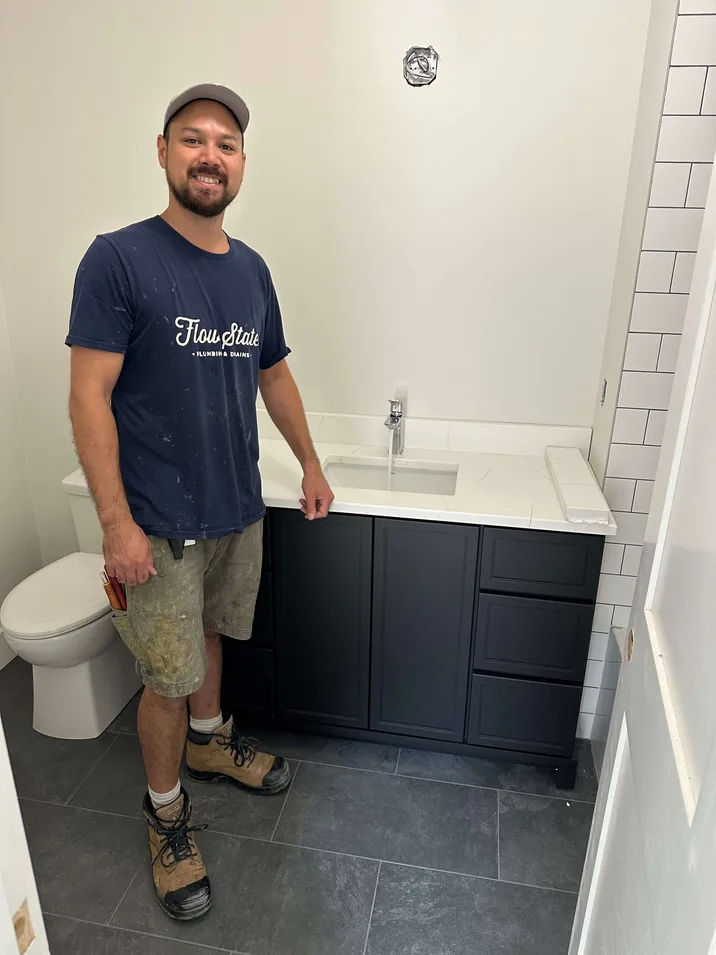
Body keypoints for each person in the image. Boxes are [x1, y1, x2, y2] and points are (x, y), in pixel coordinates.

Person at [66, 83, 334, 921]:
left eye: (225, 143)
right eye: (193, 139)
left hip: (236, 508)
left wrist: (310, 463)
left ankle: (212, 745)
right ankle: (166, 808)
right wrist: (117, 524)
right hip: (158, 523)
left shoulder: (250, 270)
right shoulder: (118, 258)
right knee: (165, 678)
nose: (209, 154)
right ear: (163, 151)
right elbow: (88, 395)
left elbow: (273, 372)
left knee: (215, 638)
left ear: (242, 164)